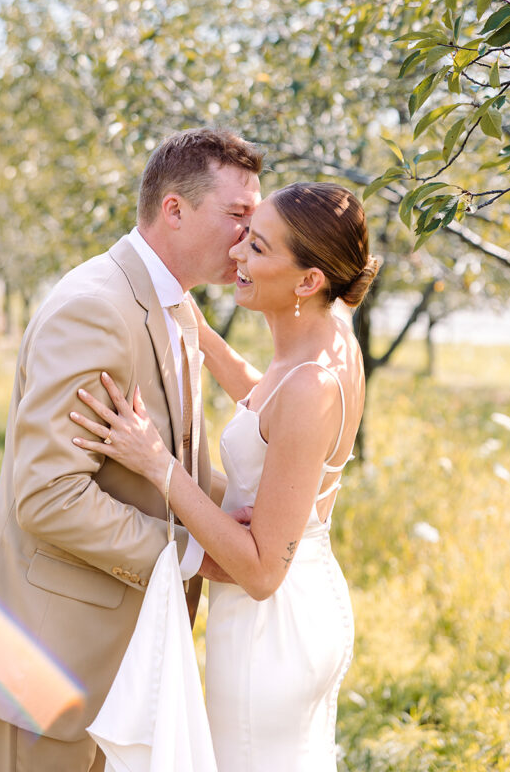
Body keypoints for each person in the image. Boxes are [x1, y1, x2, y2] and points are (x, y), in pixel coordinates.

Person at [0, 127, 262, 772]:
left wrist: (244, 515)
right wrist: (199, 551)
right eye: (238, 215)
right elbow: (51, 497)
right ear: (174, 209)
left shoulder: (175, 308)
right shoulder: (95, 309)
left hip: (118, 662)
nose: (248, 237)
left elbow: (170, 460)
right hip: (44, 654)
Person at [70, 182, 380, 771]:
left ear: (308, 280)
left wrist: (157, 463)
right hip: (304, 602)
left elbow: (262, 571)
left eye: (258, 247)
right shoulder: (330, 335)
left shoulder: (314, 383)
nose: (237, 252)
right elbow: (269, 406)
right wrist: (200, 335)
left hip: (271, 627)